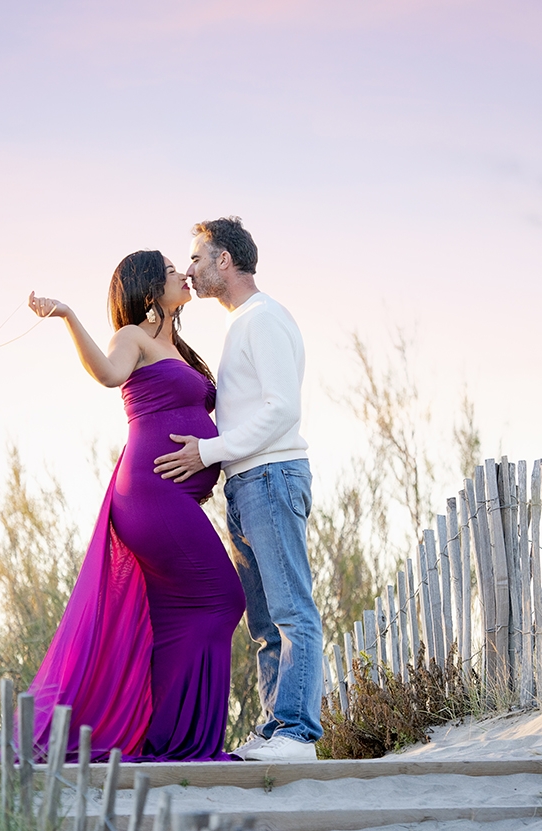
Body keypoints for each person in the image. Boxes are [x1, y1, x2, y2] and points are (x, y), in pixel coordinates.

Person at [25, 249, 246, 762]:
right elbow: (105, 373)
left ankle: (160, 737)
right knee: (222, 599)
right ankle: (182, 741)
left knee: (174, 620)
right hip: (151, 494)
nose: (183, 275)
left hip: (170, 496)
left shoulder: (178, 346)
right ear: (150, 290)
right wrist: (67, 316)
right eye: (172, 272)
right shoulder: (133, 338)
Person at [153, 217, 324, 763]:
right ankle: (278, 728)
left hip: (271, 476)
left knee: (291, 610)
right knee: (265, 622)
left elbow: (281, 409)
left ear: (224, 259)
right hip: (248, 483)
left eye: (198, 260)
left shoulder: (263, 319)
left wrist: (207, 451)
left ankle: (297, 733)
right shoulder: (242, 324)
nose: (191, 271)